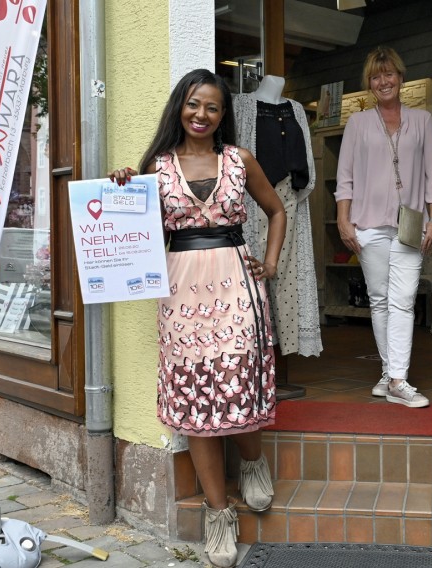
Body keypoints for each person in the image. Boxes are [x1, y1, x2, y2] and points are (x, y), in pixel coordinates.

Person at [109, 69, 285, 568]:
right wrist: (125, 189)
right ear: (178, 108)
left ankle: (252, 464)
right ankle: (218, 513)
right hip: (181, 290)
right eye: (192, 104)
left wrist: (269, 265)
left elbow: (276, 211)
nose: (201, 115)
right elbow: (134, 236)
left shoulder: (239, 160)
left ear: (223, 114)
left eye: (211, 107)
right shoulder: (157, 166)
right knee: (197, 396)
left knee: (238, 379)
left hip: (237, 283)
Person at [335, 46, 432, 408]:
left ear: (401, 77)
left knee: (403, 300)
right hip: (366, 225)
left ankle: (397, 378)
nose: (384, 81)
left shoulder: (423, 120)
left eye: (389, 74)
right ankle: (390, 374)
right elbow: (345, 176)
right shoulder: (358, 123)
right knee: (380, 301)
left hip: (411, 224)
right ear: (370, 83)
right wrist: (342, 219)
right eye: (376, 76)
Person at [234, 74, 323, 357]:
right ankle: (256, 348)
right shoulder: (242, 105)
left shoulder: (296, 109)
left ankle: (283, 351)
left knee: (288, 276)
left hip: (288, 200)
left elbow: (305, 159)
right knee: (255, 271)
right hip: (252, 198)